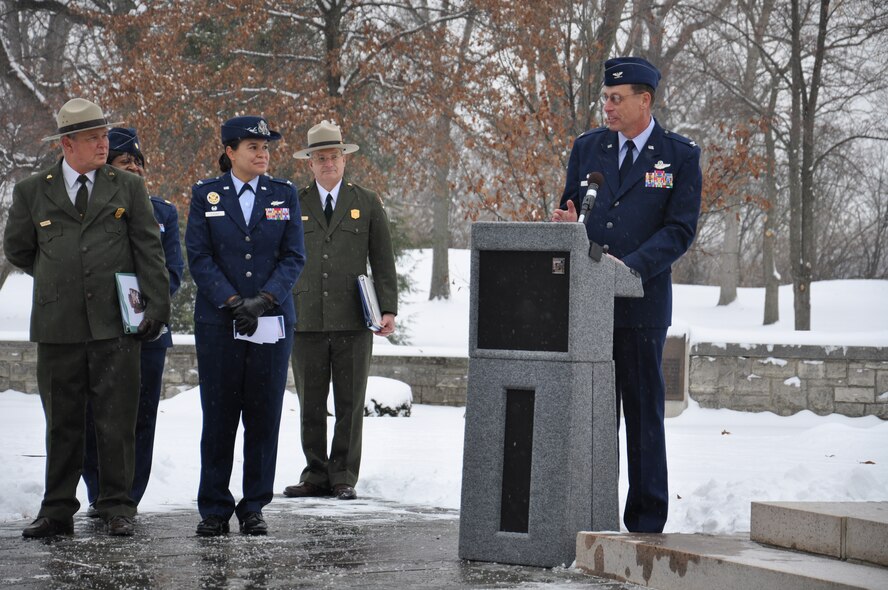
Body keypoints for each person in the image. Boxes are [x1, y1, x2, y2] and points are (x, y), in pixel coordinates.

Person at [4, 98, 170, 538]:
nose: (104, 144)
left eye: (104, 135)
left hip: (115, 323)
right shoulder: (32, 191)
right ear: (67, 144)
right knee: (62, 421)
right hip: (58, 325)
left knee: (117, 419)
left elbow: (148, 249)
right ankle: (57, 509)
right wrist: (61, 276)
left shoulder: (127, 187)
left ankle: (117, 506)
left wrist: (156, 307)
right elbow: (19, 249)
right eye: (93, 138)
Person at [552, 57, 701, 533]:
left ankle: (645, 525)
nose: (608, 106)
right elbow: (571, 209)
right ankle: (591, 516)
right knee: (593, 420)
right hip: (589, 307)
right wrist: (564, 225)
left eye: (617, 99)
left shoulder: (678, 156)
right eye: (605, 98)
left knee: (642, 420)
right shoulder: (588, 147)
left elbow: (679, 230)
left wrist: (630, 267)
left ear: (645, 100)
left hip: (641, 305)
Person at [185, 116, 305, 536]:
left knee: (263, 416)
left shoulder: (284, 193)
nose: (262, 153)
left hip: (270, 322)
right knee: (218, 418)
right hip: (220, 323)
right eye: (253, 146)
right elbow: (198, 256)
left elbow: (294, 256)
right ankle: (215, 508)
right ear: (230, 151)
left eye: (267, 147)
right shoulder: (206, 195)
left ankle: (254, 504)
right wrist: (234, 301)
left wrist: (264, 299)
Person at [283, 120, 398, 502]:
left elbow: (383, 260)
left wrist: (388, 309)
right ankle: (315, 472)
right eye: (321, 158)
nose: (328, 163)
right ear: (310, 164)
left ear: (344, 160)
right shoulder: (293, 203)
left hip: (353, 318)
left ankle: (343, 474)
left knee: (350, 401)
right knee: (310, 402)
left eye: (334, 156)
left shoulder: (366, 202)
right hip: (306, 317)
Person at [81, 127, 185, 516]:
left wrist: (147, 308)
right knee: (96, 417)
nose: (136, 169)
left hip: (148, 333)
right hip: (100, 331)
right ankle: (99, 494)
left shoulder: (164, 212)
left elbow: (173, 272)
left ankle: (128, 498)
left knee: (141, 420)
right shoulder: (89, 212)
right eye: (126, 163)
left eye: (139, 162)